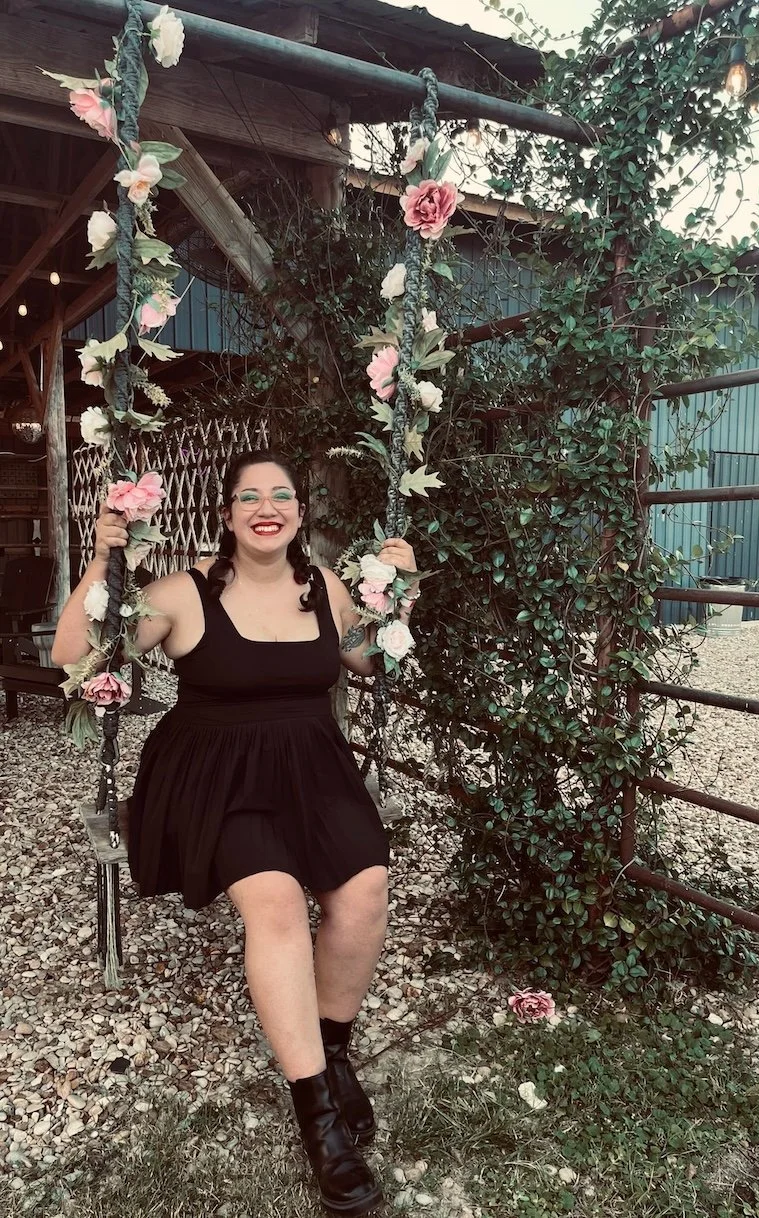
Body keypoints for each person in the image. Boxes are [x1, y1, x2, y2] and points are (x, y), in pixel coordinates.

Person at [52, 449, 420, 1216]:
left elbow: (362, 660)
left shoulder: (323, 588)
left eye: (281, 494)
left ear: (296, 513)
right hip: (213, 777)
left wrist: (398, 600)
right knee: (278, 904)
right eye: (249, 495)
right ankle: (318, 1114)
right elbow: (74, 656)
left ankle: (334, 1048)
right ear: (226, 515)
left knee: (365, 890)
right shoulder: (184, 594)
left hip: (313, 770)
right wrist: (100, 563)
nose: (267, 505)